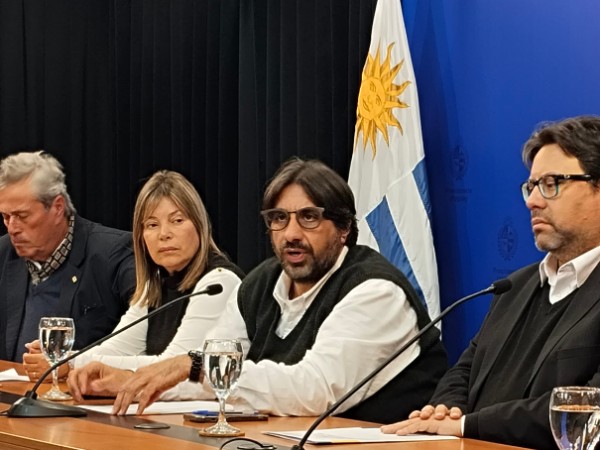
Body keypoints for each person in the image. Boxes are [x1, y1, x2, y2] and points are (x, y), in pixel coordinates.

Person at [68, 157, 447, 423]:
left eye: (309, 218)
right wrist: (133, 381)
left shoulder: (375, 290)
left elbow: (315, 390)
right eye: (279, 219)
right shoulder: (262, 283)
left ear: (344, 228)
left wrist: (194, 366)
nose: (291, 233)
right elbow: (214, 378)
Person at [382, 115, 600, 449]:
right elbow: (466, 370)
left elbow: (588, 410)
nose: (532, 201)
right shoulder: (514, 287)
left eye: (552, 183)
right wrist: (448, 409)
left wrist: (466, 425)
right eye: (531, 186)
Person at [22, 170, 243, 378]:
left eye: (177, 221)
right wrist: (63, 358)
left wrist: (70, 364)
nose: (164, 234)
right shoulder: (155, 285)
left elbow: (173, 366)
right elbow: (117, 348)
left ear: (200, 225)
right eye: (152, 225)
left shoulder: (218, 283)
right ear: (141, 237)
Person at [0, 151, 135, 364]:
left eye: (22, 216)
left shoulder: (113, 253)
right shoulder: (4, 252)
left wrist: (71, 363)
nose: (12, 228)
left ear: (57, 207)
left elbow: (147, 337)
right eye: (6, 217)